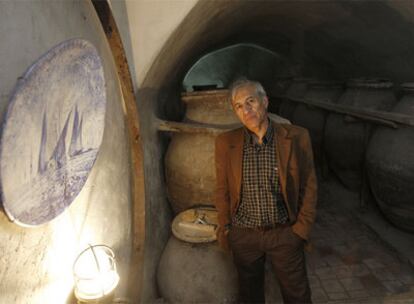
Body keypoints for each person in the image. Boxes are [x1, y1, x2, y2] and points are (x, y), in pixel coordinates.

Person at [214, 78, 317, 303]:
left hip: (285, 233)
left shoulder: (296, 137)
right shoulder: (225, 142)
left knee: (297, 295)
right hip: (244, 235)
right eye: (239, 106)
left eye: (251, 101)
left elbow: (309, 184)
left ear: (265, 101)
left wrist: (300, 230)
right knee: (250, 296)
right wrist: (228, 229)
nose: (246, 110)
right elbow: (222, 190)